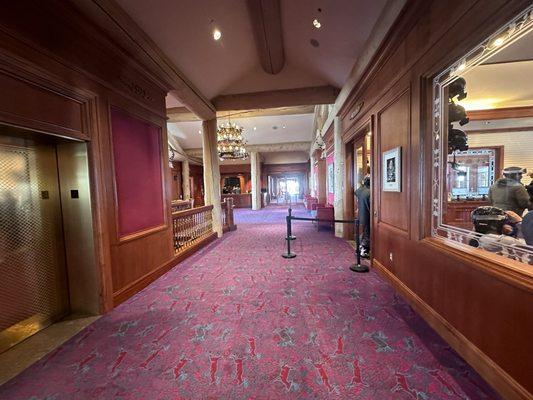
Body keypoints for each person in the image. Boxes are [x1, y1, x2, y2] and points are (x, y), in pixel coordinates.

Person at [355, 175, 371, 258]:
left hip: (360, 215)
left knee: (363, 233)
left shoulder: (360, 191)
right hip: (368, 215)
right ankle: (363, 250)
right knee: (367, 234)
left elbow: (356, 192)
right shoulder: (370, 192)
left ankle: (359, 248)